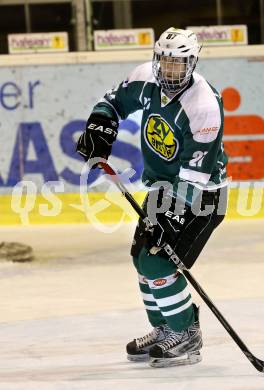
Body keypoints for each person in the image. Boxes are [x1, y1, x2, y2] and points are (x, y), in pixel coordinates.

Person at [76, 27, 228, 368]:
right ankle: (164, 330)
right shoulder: (146, 78)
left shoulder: (204, 106)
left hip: (201, 197)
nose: (169, 70)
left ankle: (186, 332)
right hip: (161, 188)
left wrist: (171, 215)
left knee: (158, 261)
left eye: (178, 64)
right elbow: (112, 102)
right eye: (165, 61)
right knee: (141, 258)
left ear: (192, 63)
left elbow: (195, 175)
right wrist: (100, 129)